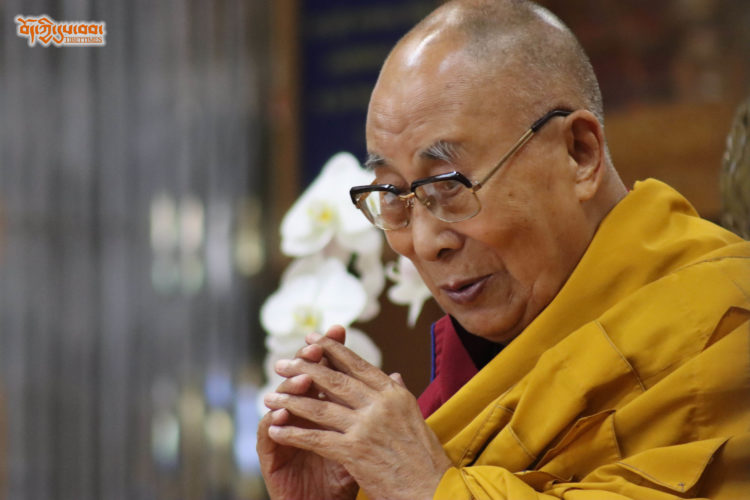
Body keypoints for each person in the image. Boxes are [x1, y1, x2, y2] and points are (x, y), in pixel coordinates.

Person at [257, 0, 750, 498]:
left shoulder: (725, 327)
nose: (424, 243)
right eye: (392, 194)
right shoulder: (463, 388)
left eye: (449, 184)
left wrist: (427, 488)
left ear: (579, 153)